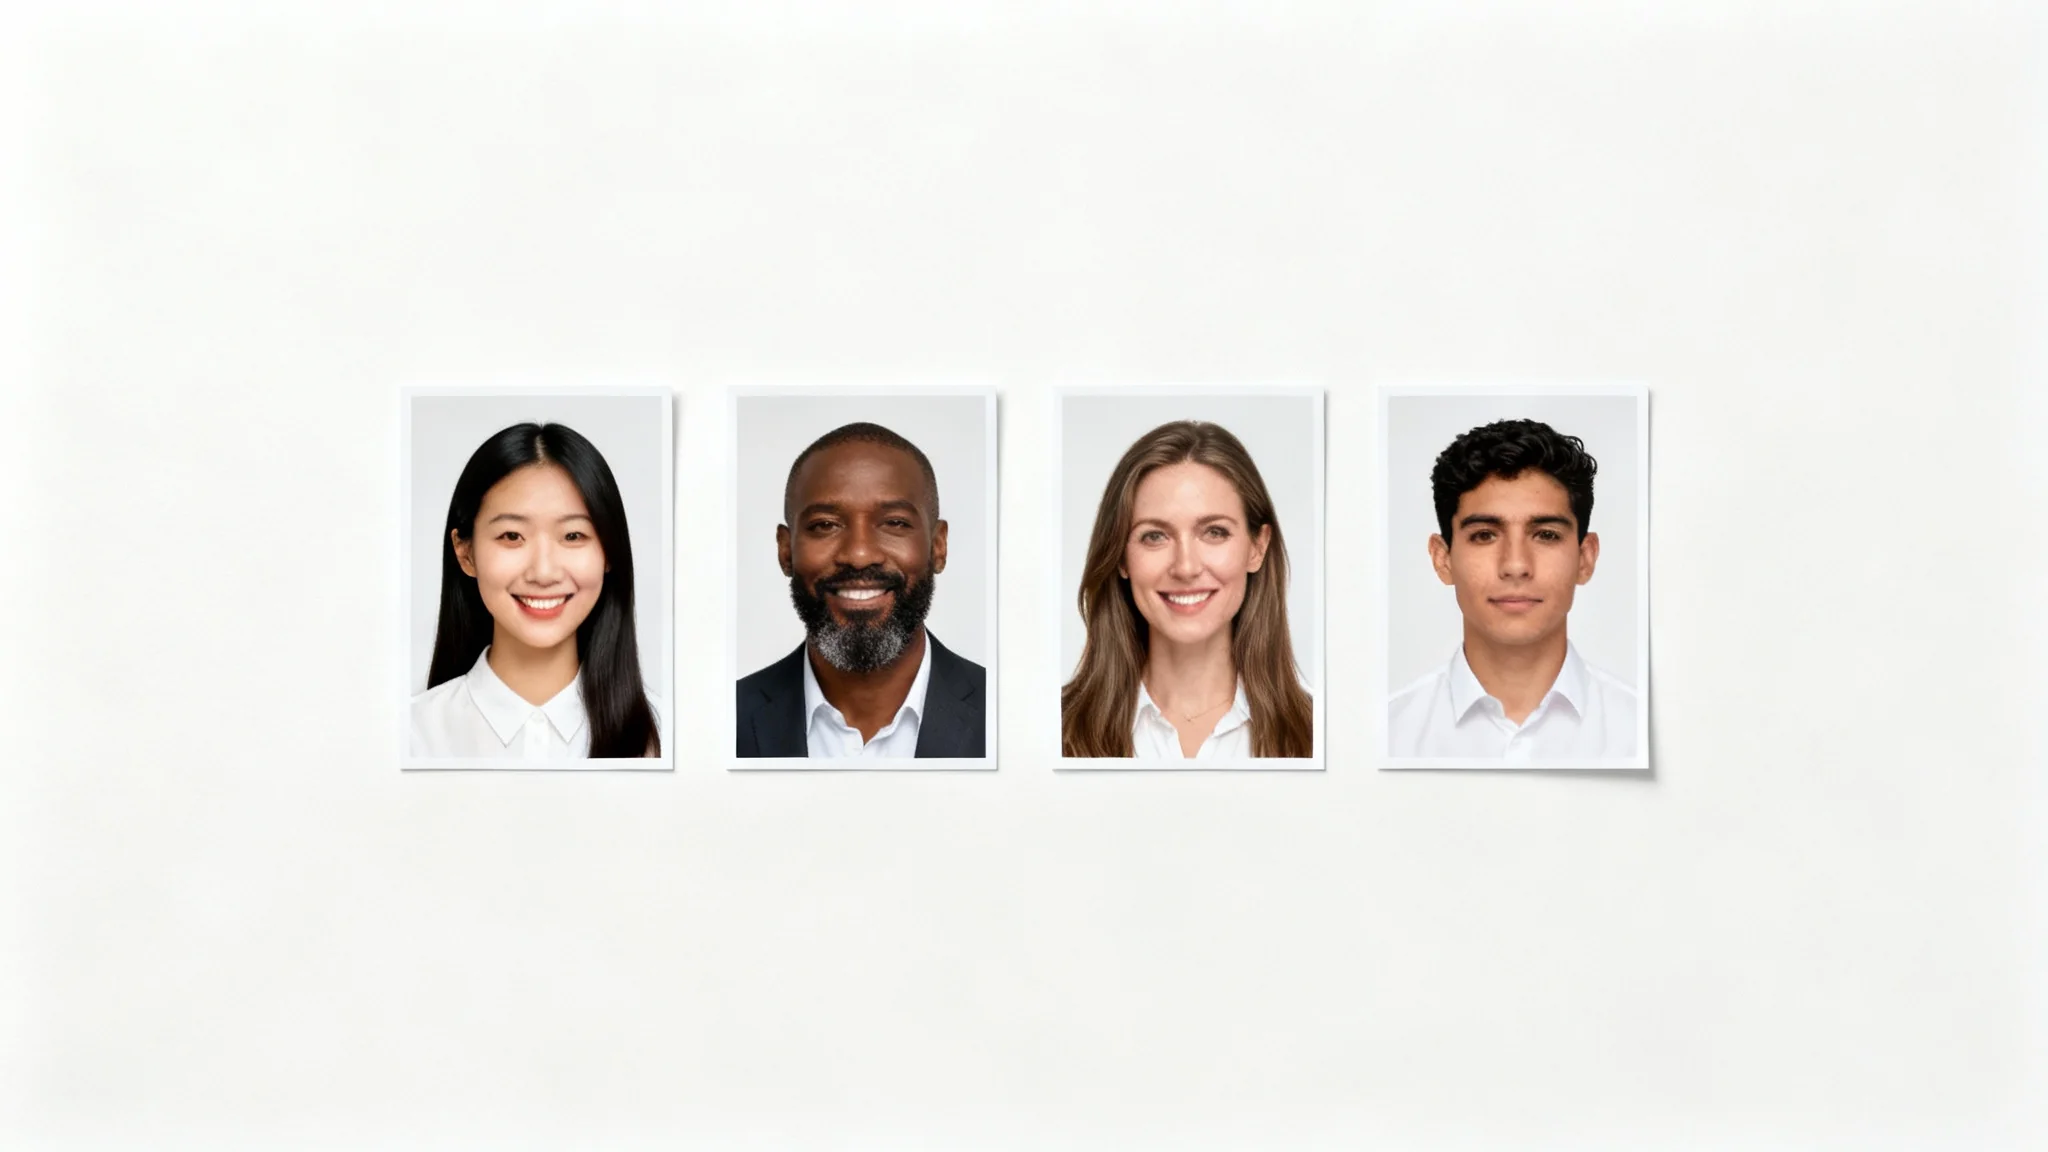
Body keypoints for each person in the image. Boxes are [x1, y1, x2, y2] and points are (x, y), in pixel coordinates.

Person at [1388, 418, 1638, 761]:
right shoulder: (1388, 733)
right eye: (1484, 535)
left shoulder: (1641, 730)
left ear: (1585, 558)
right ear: (1443, 559)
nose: (1516, 565)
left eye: (1546, 535)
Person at [411, 422, 663, 760]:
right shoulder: (411, 735)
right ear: (465, 552)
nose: (543, 573)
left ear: (608, 552)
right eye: (511, 536)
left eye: (573, 536)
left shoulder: (669, 736)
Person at [1062, 420, 1313, 759]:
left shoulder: (1326, 736)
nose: (1186, 567)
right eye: (1155, 536)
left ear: (1257, 547)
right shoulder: (1046, 731)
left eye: (1214, 532)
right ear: (1121, 556)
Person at [736, 422, 987, 758]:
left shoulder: (1011, 714)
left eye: (894, 523)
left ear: (938, 546)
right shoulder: (723, 720)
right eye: (825, 525)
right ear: (786, 551)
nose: (859, 555)